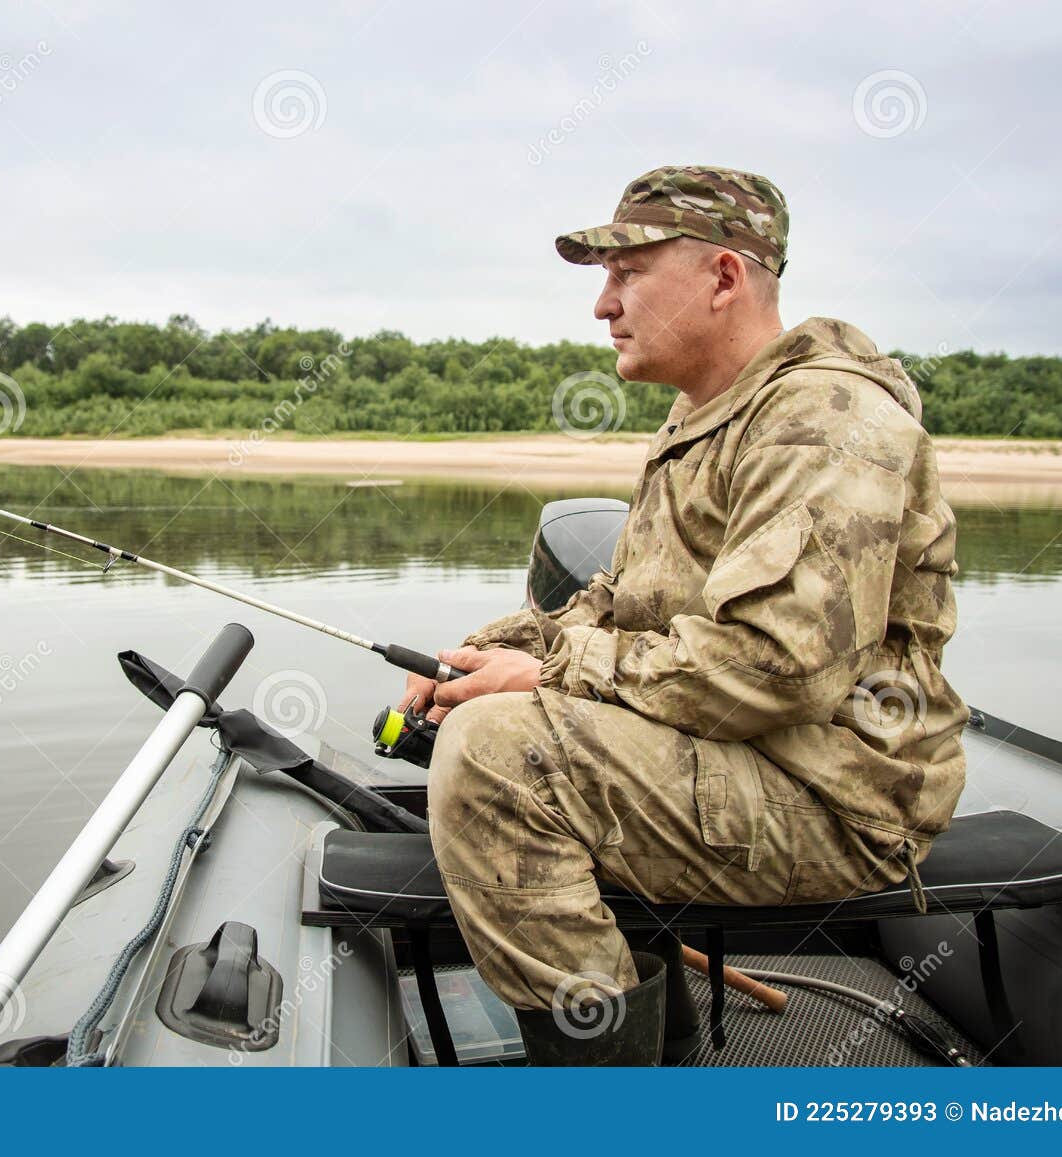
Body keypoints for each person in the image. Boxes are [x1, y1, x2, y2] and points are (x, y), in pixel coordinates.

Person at [400, 166, 969, 1065]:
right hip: (751, 760)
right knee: (493, 712)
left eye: (627, 273)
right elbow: (628, 608)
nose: (602, 304)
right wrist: (495, 649)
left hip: (838, 800)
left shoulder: (827, 417)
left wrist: (547, 675)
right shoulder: (705, 415)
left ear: (723, 277)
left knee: (501, 757)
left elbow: (774, 665)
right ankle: (665, 1061)